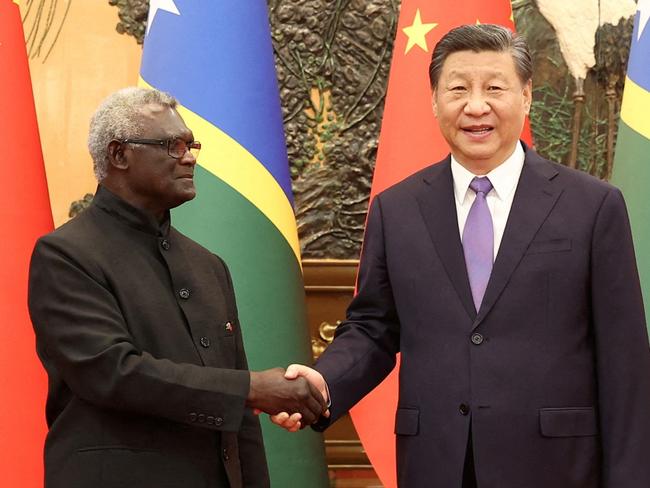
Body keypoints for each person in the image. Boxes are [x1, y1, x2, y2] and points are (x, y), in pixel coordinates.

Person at [271, 24, 650, 487]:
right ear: (434, 101)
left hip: (556, 466)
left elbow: (625, 363)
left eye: (494, 88)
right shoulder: (397, 209)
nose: (476, 106)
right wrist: (323, 383)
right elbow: (373, 328)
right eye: (457, 89)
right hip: (438, 463)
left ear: (526, 96)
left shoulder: (592, 206)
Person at [28, 87, 326, 488]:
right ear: (119, 155)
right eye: (172, 145)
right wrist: (252, 388)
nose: (189, 157)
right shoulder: (65, 254)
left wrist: (249, 396)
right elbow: (113, 373)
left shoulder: (208, 266)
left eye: (191, 145)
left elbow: (240, 423)